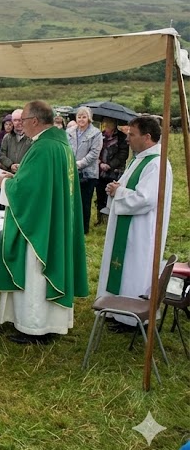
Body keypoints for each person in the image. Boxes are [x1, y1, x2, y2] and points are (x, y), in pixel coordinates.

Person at [0, 100, 88, 344]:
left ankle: (34, 327)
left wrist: (4, 183)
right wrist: (16, 177)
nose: (20, 126)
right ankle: (51, 324)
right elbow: (40, 182)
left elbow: (29, 190)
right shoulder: (60, 145)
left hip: (40, 226)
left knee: (36, 273)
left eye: (23, 120)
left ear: (35, 120)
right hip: (53, 218)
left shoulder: (43, 148)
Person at [97, 116, 172, 328]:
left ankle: (131, 318)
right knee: (123, 268)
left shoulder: (156, 164)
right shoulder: (139, 159)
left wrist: (118, 191)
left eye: (132, 134)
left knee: (134, 270)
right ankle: (118, 310)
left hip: (141, 230)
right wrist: (116, 188)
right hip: (128, 226)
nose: (127, 138)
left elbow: (146, 199)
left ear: (147, 137)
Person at [67, 106, 103, 235]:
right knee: (71, 201)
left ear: (89, 118)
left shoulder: (96, 133)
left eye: (84, 117)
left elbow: (94, 153)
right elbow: (65, 148)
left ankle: (83, 229)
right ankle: (71, 226)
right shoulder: (69, 132)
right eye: (79, 117)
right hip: (71, 171)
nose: (81, 119)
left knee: (84, 201)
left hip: (88, 173)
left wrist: (80, 164)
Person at [95, 117, 129, 225]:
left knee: (112, 195)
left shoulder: (122, 137)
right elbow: (95, 151)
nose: (107, 125)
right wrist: (100, 163)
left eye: (109, 123)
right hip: (100, 171)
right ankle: (100, 219)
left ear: (115, 124)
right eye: (105, 123)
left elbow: (123, 155)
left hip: (115, 171)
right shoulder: (99, 136)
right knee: (100, 195)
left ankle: (111, 220)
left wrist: (109, 165)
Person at [0, 108, 32, 173]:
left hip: (26, 172)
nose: (17, 123)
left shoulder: (31, 138)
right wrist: (10, 165)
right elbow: (1, 154)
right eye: (15, 120)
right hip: (9, 173)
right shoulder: (7, 137)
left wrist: (22, 166)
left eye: (20, 120)